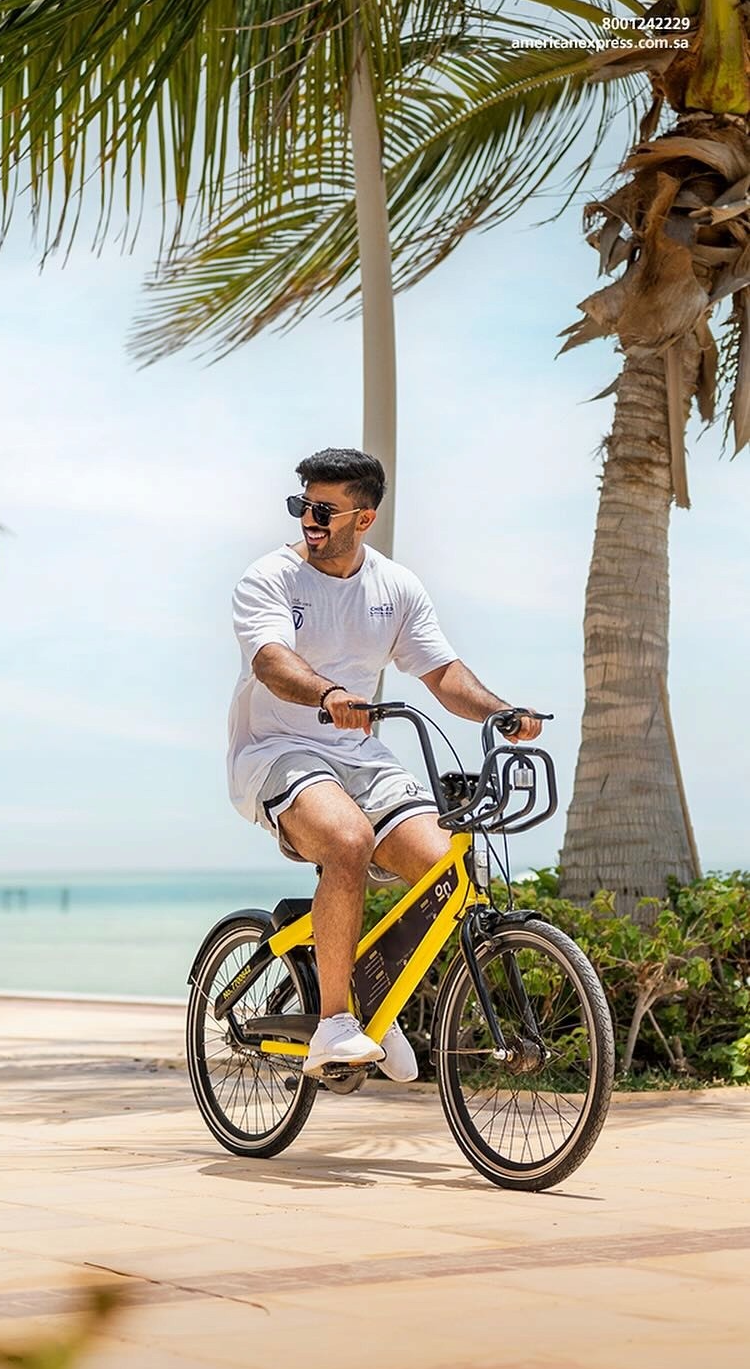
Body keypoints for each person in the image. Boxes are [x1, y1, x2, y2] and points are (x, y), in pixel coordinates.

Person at [227, 447, 540, 1079]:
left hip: (361, 754)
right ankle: (334, 1023)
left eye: (323, 510)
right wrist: (329, 694)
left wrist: (499, 709)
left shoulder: (394, 586)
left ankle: (373, 991)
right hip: (276, 751)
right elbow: (270, 662)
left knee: (448, 870)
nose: (308, 521)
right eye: (302, 507)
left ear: (363, 519)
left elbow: (442, 673)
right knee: (348, 841)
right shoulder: (270, 578)